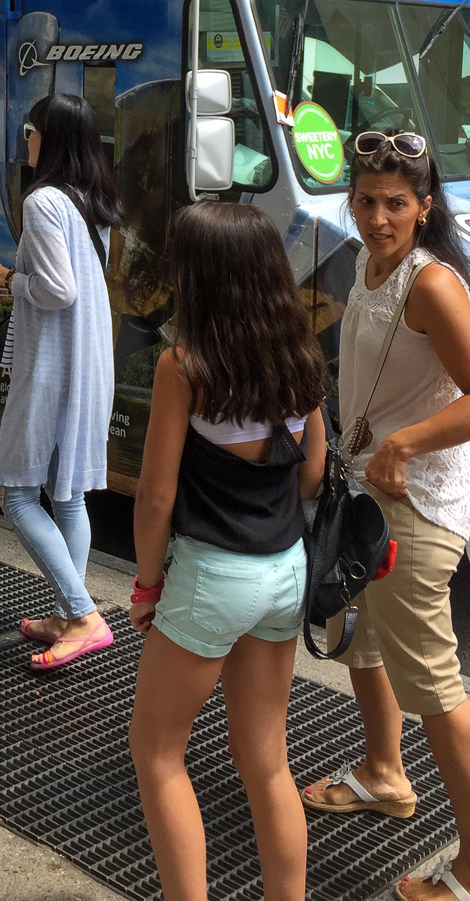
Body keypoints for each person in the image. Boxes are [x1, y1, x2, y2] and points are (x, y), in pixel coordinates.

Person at [301, 132, 470, 901]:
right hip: (365, 500)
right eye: (365, 201)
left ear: (424, 207)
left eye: (395, 204)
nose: (377, 218)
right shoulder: (368, 267)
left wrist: (403, 444)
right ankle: (383, 773)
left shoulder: (430, 284)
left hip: (415, 511)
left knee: (432, 686)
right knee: (360, 641)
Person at [127, 203, 327, 901]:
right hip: (286, 569)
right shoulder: (300, 356)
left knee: (157, 752)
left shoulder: (184, 366)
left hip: (213, 576)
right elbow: (311, 472)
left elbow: (155, 496)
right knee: (267, 762)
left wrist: (146, 586)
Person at [0, 93, 123, 672]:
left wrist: (1, 276)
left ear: (47, 139)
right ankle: (66, 614)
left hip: (52, 365)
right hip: (87, 362)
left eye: (29, 130)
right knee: (68, 495)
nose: (24, 140)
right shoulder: (91, 199)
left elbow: (58, 290)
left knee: (17, 495)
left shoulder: (43, 200)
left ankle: (82, 614)